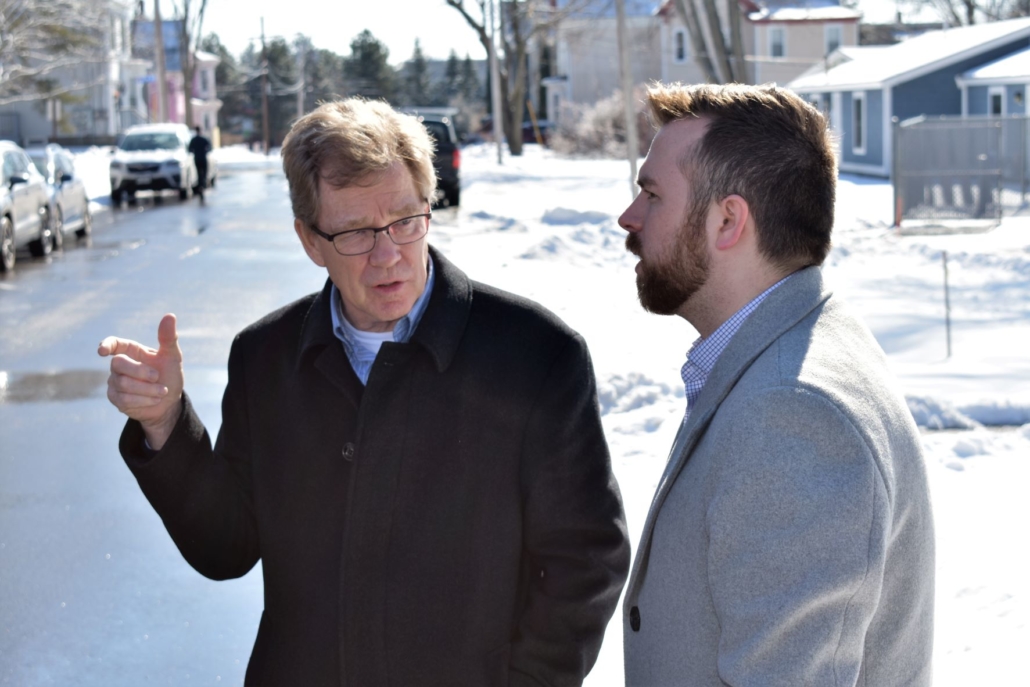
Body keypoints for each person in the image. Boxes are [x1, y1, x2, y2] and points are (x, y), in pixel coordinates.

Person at [98, 98, 630, 686]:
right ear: (310, 241)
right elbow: (225, 548)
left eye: (405, 221)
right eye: (354, 232)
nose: (388, 255)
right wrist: (165, 423)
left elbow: (587, 561)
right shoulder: (266, 356)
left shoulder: (535, 355)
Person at [618, 83, 935, 686]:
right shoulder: (804, 342)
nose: (629, 217)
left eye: (652, 194)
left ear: (728, 220)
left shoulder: (791, 413)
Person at [188, 125, 211, 200]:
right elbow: (209, 147)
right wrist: (204, 151)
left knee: (198, 173)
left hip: (197, 159)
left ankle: (200, 186)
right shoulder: (203, 139)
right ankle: (203, 186)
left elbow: (189, 149)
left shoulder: (194, 140)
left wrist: (195, 152)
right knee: (204, 173)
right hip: (203, 158)